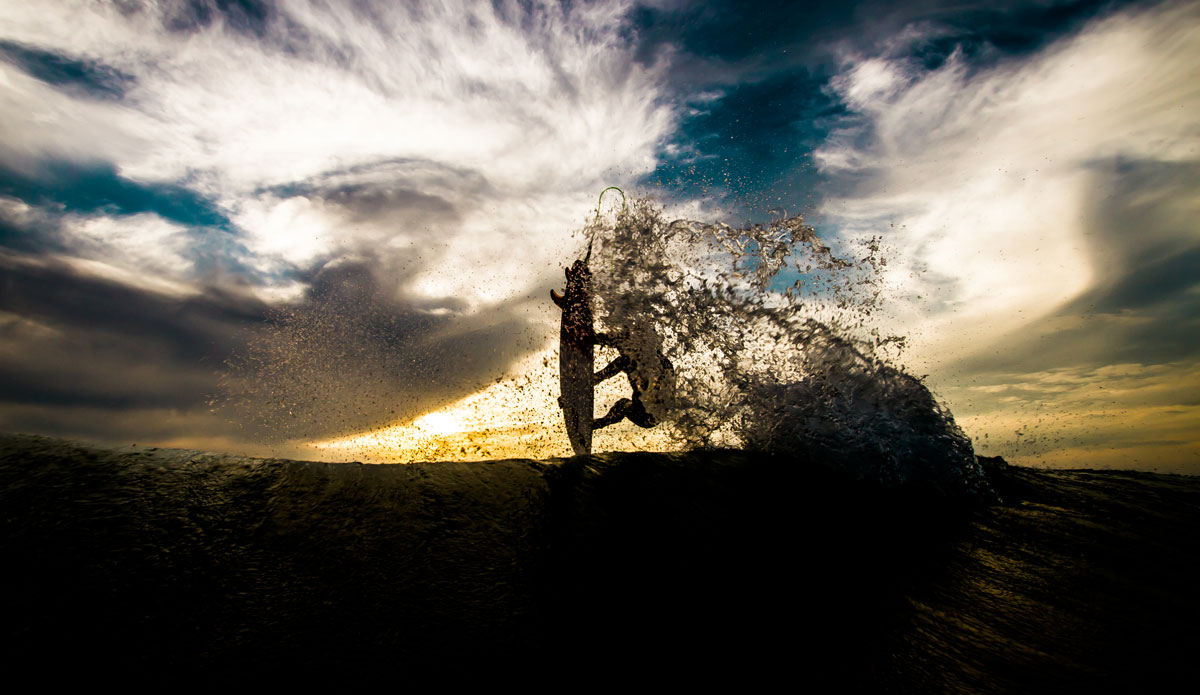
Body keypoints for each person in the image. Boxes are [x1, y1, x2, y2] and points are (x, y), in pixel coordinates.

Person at [591, 328, 675, 430]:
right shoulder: (650, 357)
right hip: (650, 411)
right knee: (626, 356)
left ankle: (596, 380)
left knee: (626, 361)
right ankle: (595, 340)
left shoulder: (656, 362)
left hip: (648, 416)